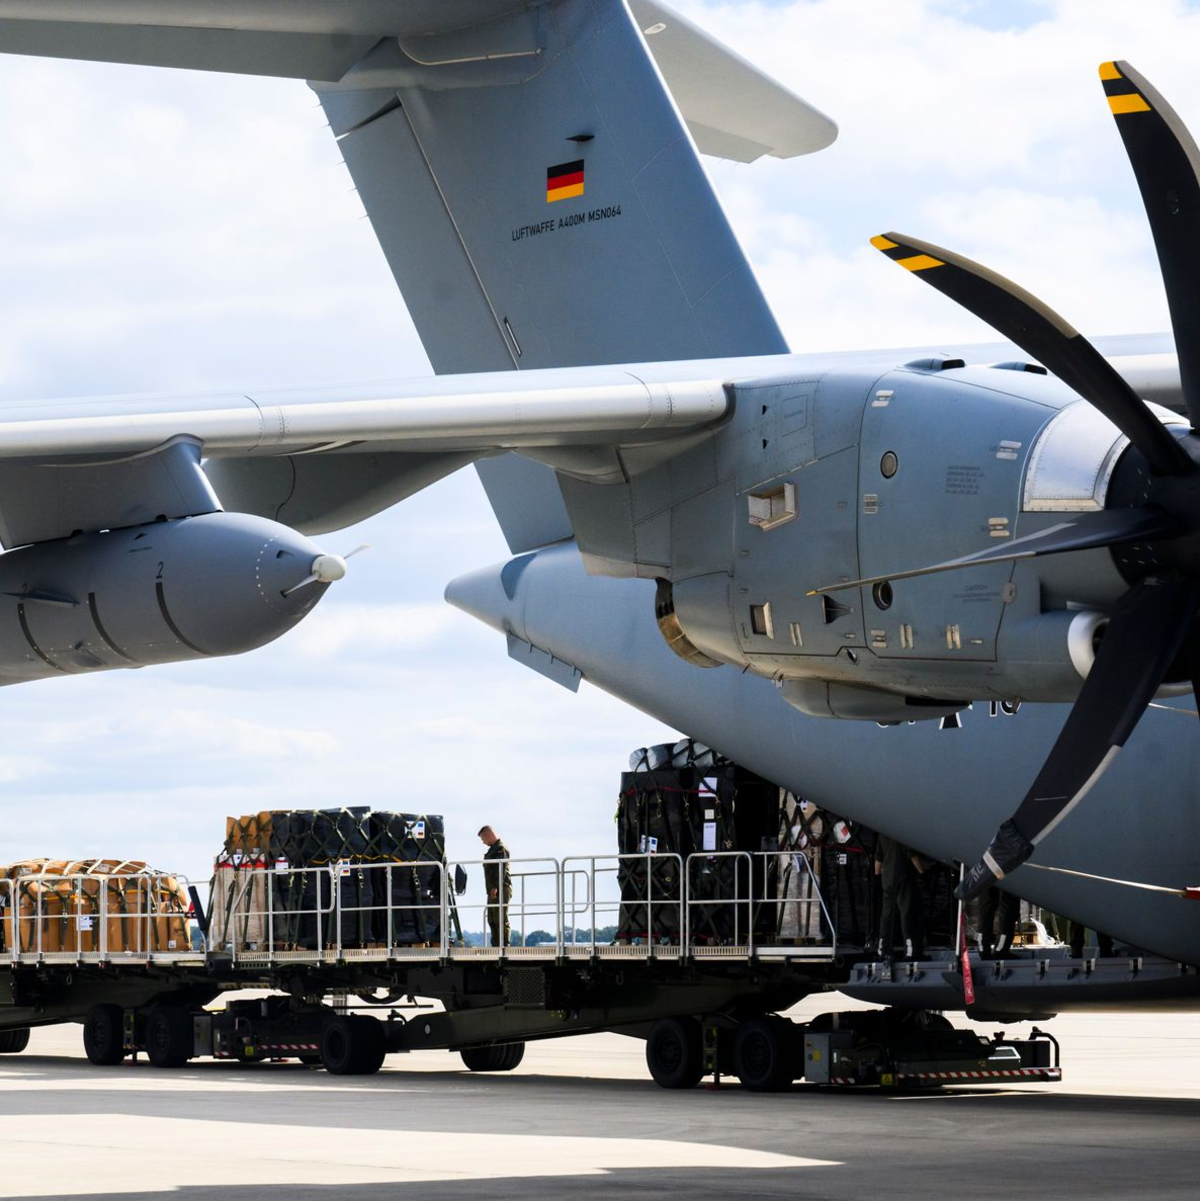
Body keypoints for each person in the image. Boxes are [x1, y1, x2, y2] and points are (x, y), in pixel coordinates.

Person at [875, 834, 925, 962]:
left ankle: (883, 949)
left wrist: (877, 876)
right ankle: (910, 951)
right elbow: (911, 854)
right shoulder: (902, 828)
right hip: (902, 875)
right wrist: (922, 871)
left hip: (887, 877)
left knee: (886, 915)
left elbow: (878, 857)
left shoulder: (883, 832)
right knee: (906, 913)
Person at [479, 825, 512, 949]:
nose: (483, 842)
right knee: (492, 918)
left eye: (483, 839)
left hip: (500, 888)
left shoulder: (500, 849)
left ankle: (504, 945)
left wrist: (495, 888)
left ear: (488, 835)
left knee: (500, 918)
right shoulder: (493, 849)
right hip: (493, 889)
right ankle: (496, 945)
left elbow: (500, 869)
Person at [978, 885, 1020, 958]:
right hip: (1010, 875)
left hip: (986, 874)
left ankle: (983, 949)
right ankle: (1000, 950)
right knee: (1008, 906)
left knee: (986, 905)